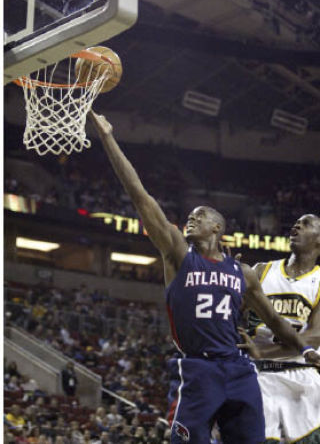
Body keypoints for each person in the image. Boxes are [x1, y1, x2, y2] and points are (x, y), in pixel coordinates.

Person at [88, 110, 320, 444]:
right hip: (199, 369)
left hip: (239, 370)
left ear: (217, 227)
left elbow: (276, 321)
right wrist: (108, 137)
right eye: (189, 216)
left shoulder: (243, 273)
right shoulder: (178, 255)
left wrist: (305, 351)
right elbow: (140, 196)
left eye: (200, 215)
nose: (190, 219)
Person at [240, 213, 320, 444]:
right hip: (259, 375)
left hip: (302, 378)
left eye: (305, 224)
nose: (296, 226)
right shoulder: (261, 271)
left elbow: (313, 337)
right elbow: (229, 313)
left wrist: (259, 352)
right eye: (295, 223)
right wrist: (225, 282)